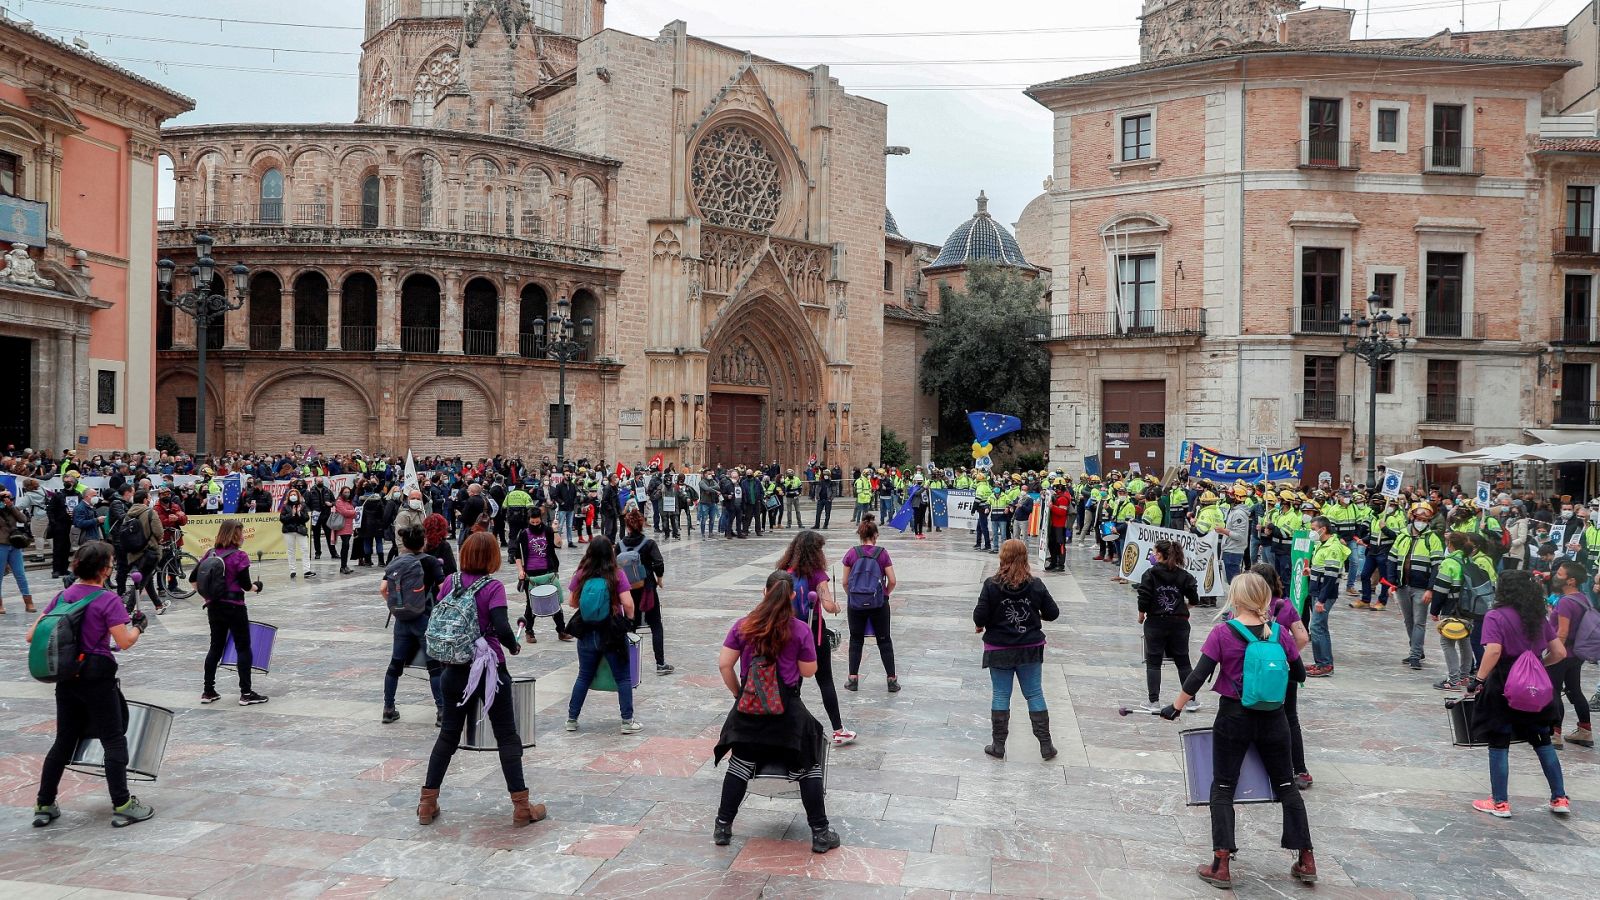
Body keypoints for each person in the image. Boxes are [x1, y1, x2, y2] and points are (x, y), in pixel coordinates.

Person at [1157, 573, 1315, 889]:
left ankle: (1221, 864)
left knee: (1224, 786)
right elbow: (1299, 674)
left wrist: (1175, 707)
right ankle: (1306, 858)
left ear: (1236, 598)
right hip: (1274, 718)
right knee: (1286, 784)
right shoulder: (1281, 634)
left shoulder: (1223, 633)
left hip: (1234, 718)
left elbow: (1198, 676)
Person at [418, 532, 546, 828]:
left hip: (453, 669)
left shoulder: (450, 581)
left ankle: (427, 802)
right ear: (491, 558)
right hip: (488, 671)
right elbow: (501, 626)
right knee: (507, 736)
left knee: (448, 735)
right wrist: (512, 645)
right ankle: (521, 807)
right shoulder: (492, 587)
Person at [28, 541, 154, 829]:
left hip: (66, 676)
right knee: (113, 739)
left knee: (64, 740)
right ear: (103, 568)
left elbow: (30, 635)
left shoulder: (64, 596)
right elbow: (123, 642)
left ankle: (44, 803)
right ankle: (123, 804)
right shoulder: (107, 599)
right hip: (97, 677)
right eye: (110, 562)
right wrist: (139, 627)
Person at [712, 570, 839, 854]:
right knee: (808, 766)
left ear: (764, 592)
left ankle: (723, 826)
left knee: (740, 764)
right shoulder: (799, 629)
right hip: (787, 715)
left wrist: (738, 695)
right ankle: (820, 833)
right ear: (793, 596)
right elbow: (809, 671)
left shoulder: (743, 625)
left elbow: (724, 665)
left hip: (747, 712)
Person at [1468, 569, 1571, 817]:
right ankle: (1559, 798)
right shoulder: (1538, 617)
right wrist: (1536, 666)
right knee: (1542, 740)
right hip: (1535, 686)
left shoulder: (1495, 616)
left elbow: (1493, 651)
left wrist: (1478, 679)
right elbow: (1560, 653)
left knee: (1499, 742)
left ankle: (1500, 802)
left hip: (1503, 683)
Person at [973, 538, 1061, 760]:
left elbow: (979, 616)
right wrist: (1035, 614)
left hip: (999, 647)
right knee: (1034, 693)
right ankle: (1046, 745)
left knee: (1001, 694)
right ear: (1024, 558)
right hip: (1029, 648)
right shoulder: (1036, 584)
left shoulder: (991, 585)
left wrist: (983, 623)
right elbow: (1053, 613)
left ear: (1002, 557)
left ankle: (998, 746)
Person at [776, 529, 856, 746]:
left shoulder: (784, 571)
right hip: (813, 633)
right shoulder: (818, 575)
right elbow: (828, 605)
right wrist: (836, 606)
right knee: (825, 681)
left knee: (793, 683)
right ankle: (838, 730)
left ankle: (785, 729)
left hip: (787, 633)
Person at [564, 535, 641, 733]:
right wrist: (629, 621)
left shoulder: (582, 573)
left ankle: (572, 719)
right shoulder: (616, 574)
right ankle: (627, 721)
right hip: (612, 632)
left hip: (587, 631)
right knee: (623, 677)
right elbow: (628, 603)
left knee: (583, 676)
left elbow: (572, 602)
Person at [1251, 562, 1315, 789]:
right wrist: (1286, 659)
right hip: (1283, 672)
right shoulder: (1285, 606)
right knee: (1289, 717)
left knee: (1250, 716)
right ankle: (1300, 770)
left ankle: (1254, 769)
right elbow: (1303, 637)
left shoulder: (1246, 605)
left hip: (1253, 674)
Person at [195, 519, 268, 706]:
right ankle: (246, 693)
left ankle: (208, 691)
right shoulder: (240, 556)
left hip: (213, 607)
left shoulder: (209, 553)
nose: (243, 537)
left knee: (215, 647)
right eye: (241, 533)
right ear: (236, 535)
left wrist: (207, 597)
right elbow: (245, 585)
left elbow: (193, 579)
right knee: (243, 647)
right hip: (235, 606)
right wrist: (256, 587)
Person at [381, 526, 444, 726]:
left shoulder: (396, 562)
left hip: (401, 620)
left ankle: (388, 709)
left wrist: (397, 606)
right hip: (424, 618)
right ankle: (442, 711)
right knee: (434, 667)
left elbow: (383, 589)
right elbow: (443, 589)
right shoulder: (431, 562)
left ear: (405, 543)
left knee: (394, 665)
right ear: (423, 541)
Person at [1137, 539, 1199, 712]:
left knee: (1154, 661)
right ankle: (1191, 700)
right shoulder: (1183, 575)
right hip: (1179, 622)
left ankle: (1153, 701)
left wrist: (1141, 614)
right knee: (1183, 661)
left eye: (1153, 552)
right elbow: (1194, 597)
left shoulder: (1150, 574)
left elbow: (1144, 596)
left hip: (1156, 622)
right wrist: (1186, 606)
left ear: (1158, 555)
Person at [841, 519, 898, 694]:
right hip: (878, 603)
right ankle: (891, 681)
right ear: (875, 536)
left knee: (856, 639)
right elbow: (893, 580)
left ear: (860, 535)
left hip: (856, 604)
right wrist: (885, 594)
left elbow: (844, 582)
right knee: (884, 640)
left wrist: (853, 596)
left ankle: (853, 679)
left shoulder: (852, 553)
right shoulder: (882, 554)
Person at [619, 508, 672, 675]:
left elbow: (613, 567)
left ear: (627, 526)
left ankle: (627, 663)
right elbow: (659, 563)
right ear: (642, 525)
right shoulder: (649, 544)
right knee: (656, 624)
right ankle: (660, 664)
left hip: (627, 591)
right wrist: (660, 578)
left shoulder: (619, 545)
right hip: (647, 589)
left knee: (630, 626)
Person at [515, 504, 571, 643]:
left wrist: (556, 529)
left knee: (555, 601)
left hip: (548, 572)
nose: (535, 524)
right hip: (531, 574)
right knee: (531, 604)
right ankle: (529, 631)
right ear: (528, 520)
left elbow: (558, 544)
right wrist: (520, 571)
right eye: (532, 522)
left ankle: (561, 630)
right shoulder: (523, 534)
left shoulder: (547, 531)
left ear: (541, 519)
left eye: (537, 521)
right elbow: (517, 555)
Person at [1303, 515, 1349, 677]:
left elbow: (1331, 577)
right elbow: (1323, 568)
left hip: (1325, 593)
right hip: (1317, 590)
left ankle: (1325, 664)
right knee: (1320, 627)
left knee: (1316, 627)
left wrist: (1321, 600)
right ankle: (1321, 662)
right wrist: (1312, 571)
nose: (1312, 532)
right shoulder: (1322, 545)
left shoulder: (1333, 548)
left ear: (1323, 529)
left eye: (1314, 529)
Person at [0, 486, 36, 614]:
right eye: (3, 497)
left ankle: (28, 602)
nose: (6, 499)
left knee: (20, 574)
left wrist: (11, 506)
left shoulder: (11, 509)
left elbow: (23, 519)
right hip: (1, 545)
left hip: (14, 544)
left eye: (7, 497)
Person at [279, 488, 313, 580]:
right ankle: (292, 570)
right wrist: (292, 514)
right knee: (291, 551)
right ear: (288, 496)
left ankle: (307, 570)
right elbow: (282, 519)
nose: (293, 496)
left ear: (298, 496)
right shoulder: (285, 506)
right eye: (291, 495)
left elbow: (306, 518)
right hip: (289, 531)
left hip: (300, 530)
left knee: (305, 549)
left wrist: (299, 512)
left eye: (294, 495)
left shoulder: (302, 505)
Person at [332, 487, 357, 575]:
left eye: (348, 492)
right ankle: (343, 566)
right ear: (341, 492)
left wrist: (352, 512)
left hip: (349, 526)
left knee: (346, 546)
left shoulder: (348, 502)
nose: (347, 493)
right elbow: (344, 512)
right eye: (345, 492)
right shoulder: (339, 502)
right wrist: (353, 512)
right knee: (345, 545)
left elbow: (352, 514)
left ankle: (345, 565)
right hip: (343, 526)